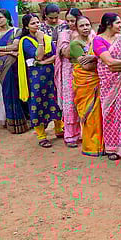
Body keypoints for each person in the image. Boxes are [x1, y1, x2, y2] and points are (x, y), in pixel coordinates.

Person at [17, 13, 63, 147]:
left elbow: (56, 56)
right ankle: (42, 135)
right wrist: (41, 41)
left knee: (54, 100)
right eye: (33, 23)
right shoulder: (25, 41)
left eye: (37, 22)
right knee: (38, 103)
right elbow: (38, 56)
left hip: (50, 74)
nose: (36, 25)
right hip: (35, 78)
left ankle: (59, 129)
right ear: (26, 26)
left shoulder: (47, 38)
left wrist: (43, 63)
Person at [93, 13, 121, 160]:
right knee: (110, 114)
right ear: (108, 24)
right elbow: (109, 62)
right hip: (109, 83)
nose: (120, 25)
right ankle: (113, 148)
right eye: (117, 23)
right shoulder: (98, 40)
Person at [0, 9, 29, 134]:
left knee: (16, 91)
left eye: (0, 17)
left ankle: (22, 122)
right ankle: (11, 123)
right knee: (6, 93)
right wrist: (9, 52)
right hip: (0, 67)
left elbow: (15, 46)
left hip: (13, 67)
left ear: (7, 18)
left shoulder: (16, 31)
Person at [69, 14, 103, 156]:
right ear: (76, 28)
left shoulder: (95, 40)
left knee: (99, 114)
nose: (85, 28)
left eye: (87, 25)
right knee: (90, 114)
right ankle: (91, 146)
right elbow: (86, 66)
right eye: (81, 26)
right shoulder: (75, 44)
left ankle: (102, 145)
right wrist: (99, 58)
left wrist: (94, 58)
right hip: (85, 82)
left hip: (97, 81)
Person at [56, 8, 89, 147]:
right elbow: (66, 53)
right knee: (70, 103)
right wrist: (75, 40)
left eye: (73, 20)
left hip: (87, 72)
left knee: (86, 103)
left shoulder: (89, 31)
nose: (70, 23)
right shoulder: (64, 34)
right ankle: (71, 135)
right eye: (67, 20)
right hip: (69, 71)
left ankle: (87, 135)